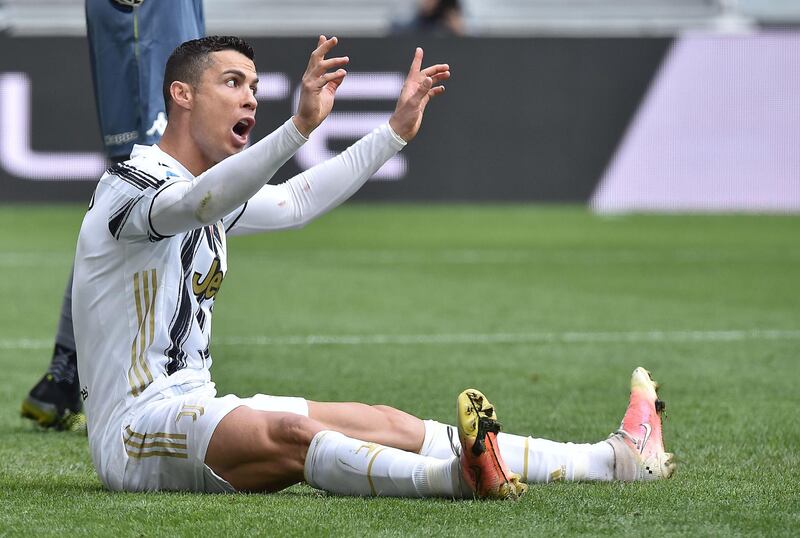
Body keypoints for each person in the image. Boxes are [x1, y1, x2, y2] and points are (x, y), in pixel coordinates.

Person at [72, 35, 676, 496]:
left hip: (193, 402)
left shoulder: (208, 192)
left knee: (382, 421)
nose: (250, 97)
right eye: (232, 83)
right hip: (135, 430)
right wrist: (297, 127)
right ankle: (458, 479)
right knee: (292, 437)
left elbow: (295, 201)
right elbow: (192, 203)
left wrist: (392, 134)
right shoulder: (129, 187)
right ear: (181, 94)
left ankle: (616, 460)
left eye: (255, 85)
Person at [21, 0, 204, 431]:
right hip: (144, 24)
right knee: (151, 184)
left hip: (162, 21)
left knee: (157, 188)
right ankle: (87, 373)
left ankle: (68, 372)